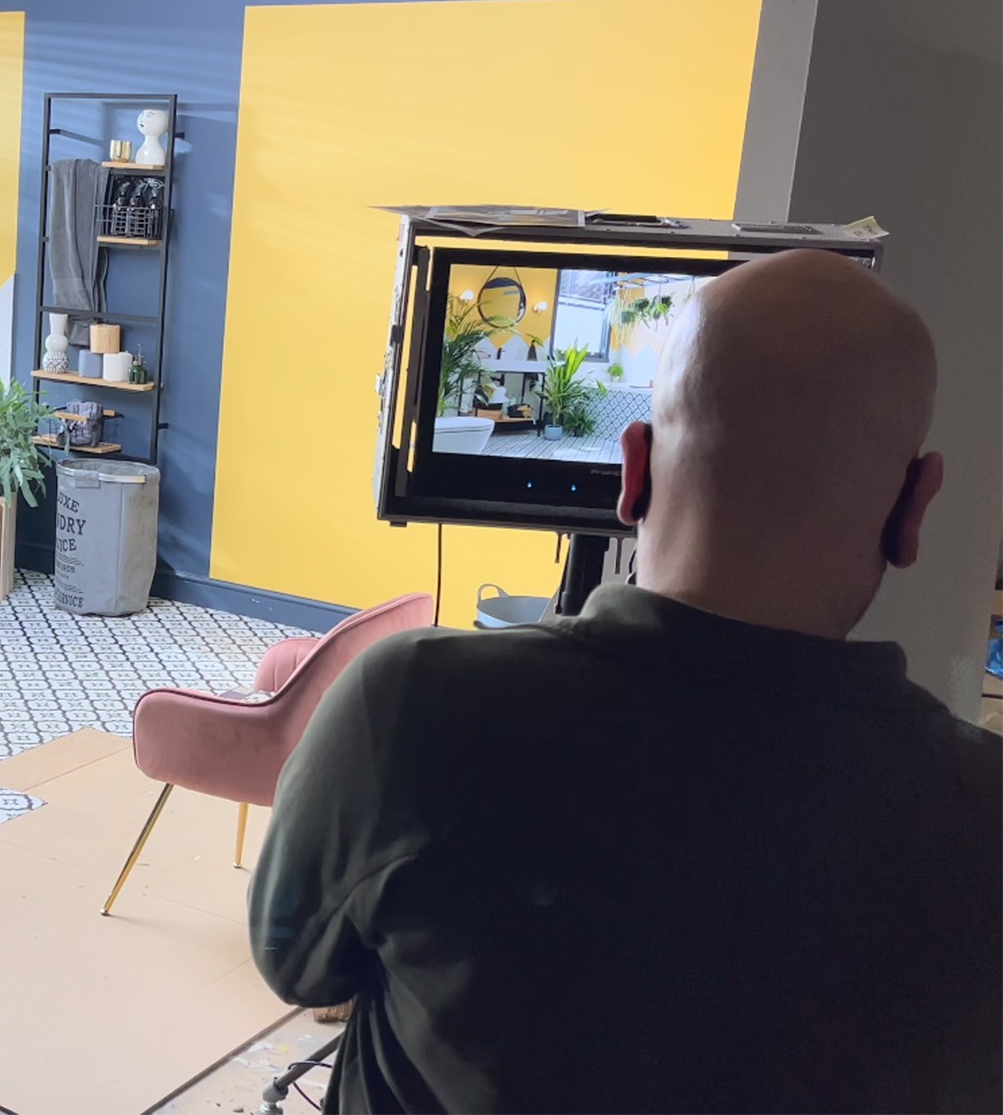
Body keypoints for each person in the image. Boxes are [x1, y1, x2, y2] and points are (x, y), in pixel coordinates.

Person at [252, 249, 1000, 1112]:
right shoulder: (985, 819)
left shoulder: (412, 709)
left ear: (633, 468)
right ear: (916, 508)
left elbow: (296, 963)